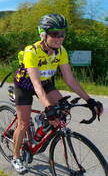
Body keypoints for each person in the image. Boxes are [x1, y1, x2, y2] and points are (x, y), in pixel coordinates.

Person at [11, 14, 104, 173]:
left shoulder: (61, 51)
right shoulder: (31, 52)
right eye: (54, 34)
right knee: (23, 123)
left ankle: (42, 120)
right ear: (43, 34)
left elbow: (70, 79)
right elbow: (36, 85)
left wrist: (90, 100)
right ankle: (16, 156)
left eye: (62, 34)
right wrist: (48, 108)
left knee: (63, 109)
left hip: (45, 82)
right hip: (25, 85)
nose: (59, 38)